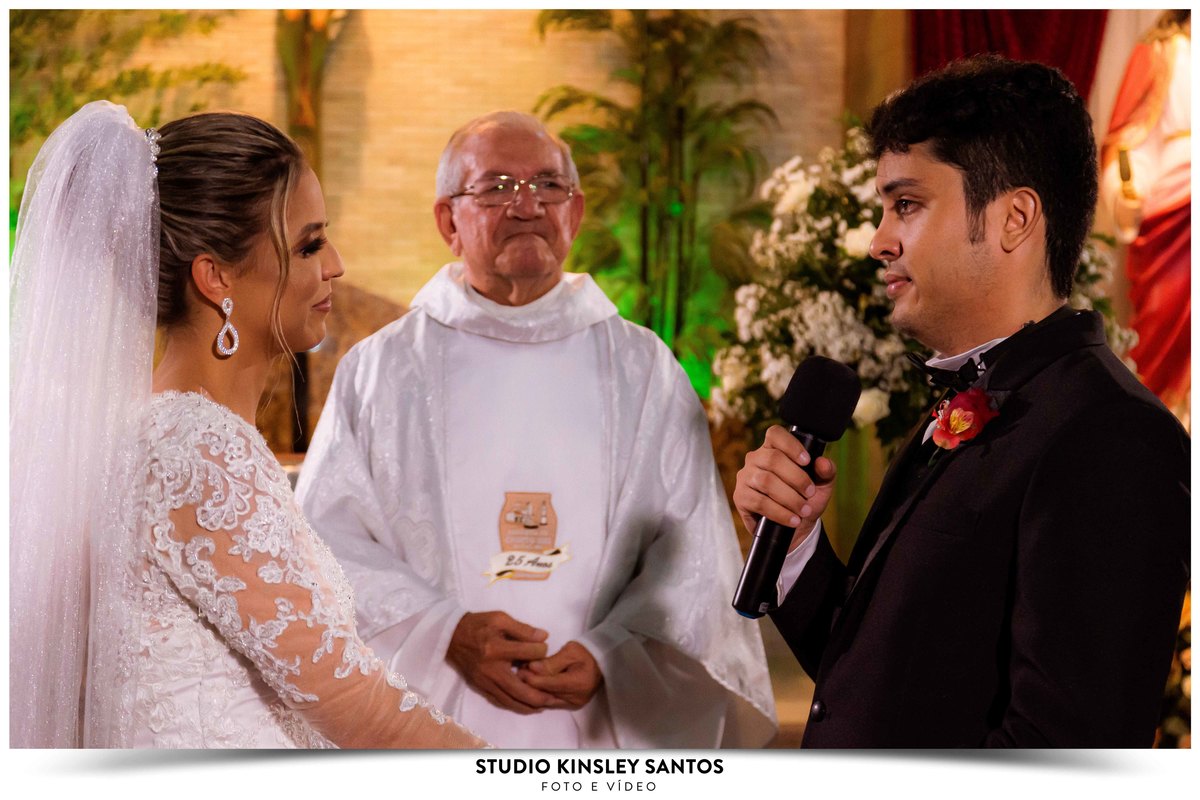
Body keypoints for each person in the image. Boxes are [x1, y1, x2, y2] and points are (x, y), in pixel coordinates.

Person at [733, 56, 1190, 747]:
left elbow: (1065, 755)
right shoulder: (968, 400)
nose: (878, 241)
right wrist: (796, 547)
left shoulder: (1111, 434)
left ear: (1014, 218)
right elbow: (876, 685)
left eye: (906, 205)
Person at [9, 101, 485, 749]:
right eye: (309, 244)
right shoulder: (195, 449)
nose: (336, 264)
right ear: (216, 278)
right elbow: (353, 704)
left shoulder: (155, 432)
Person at [297, 111, 776, 748]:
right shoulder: (381, 370)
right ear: (448, 221)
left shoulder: (644, 368)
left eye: (547, 185)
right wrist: (444, 631)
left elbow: (692, 547)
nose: (526, 206)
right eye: (496, 187)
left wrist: (610, 654)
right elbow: (323, 538)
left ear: (574, 213)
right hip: (431, 718)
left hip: (600, 733)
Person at [1100, 10, 1191, 424]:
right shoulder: (1160, 52)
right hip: (1175, 206)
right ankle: (1162, 425)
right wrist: (1127, 186)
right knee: (1164, 317)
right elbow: (1129, 142)